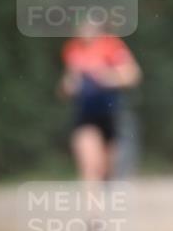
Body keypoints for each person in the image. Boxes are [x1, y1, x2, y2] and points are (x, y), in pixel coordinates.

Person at [59, 17, 141, 183]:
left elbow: (132, 76)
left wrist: (106, 77)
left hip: (109, 111)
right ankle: (92, 206)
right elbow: (68, 82)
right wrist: (68, 87)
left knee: (106, 166)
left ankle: (107, 180)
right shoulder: (73, 49)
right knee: (89, 163)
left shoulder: (112, 46)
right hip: (85, 113)